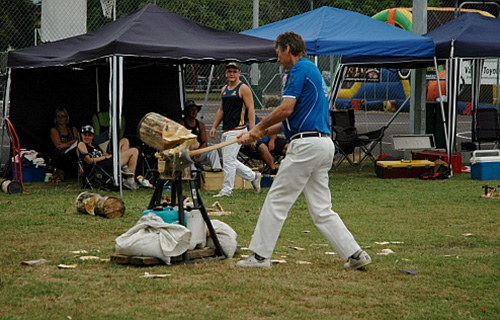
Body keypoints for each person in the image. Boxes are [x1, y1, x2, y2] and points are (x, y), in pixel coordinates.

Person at [237, 32, 371, 270]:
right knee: (321, 209)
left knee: (277, 199)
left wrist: (258, 127)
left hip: (307, 146)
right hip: (321, 144)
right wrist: (259, 133)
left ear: (288, 49)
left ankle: (259, 257)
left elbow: (285, 109)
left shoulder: (298, 70)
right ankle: (355, 254)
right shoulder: (311, 70)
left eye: (278, 52)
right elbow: (290, 119)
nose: (277, 58)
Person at [209, 62, 261, 197]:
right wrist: (214, 126)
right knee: (229, 160)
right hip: (226, 129)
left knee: (228, 160)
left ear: (239, 73)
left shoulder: (243, 88)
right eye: (229, 72)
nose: (231, 74)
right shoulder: (224, 89)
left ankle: (227, 190)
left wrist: (252, 132)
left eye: (234, 71)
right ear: (226, 74)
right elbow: (221, 109)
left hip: (238, 130)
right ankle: (253, 176)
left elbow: (251, 109)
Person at [78, 125, 139, 190]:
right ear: (81, 135)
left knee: (125, 141)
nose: (87, 137)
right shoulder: (82, 144)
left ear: (93, 136)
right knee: (134, 151)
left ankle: (124, 168)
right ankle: (130, 179)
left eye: (89, 135)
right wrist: (105, 157)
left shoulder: (95, 146)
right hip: (99, 166)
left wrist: (109, 156)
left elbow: (107, 155)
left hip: (106, 162)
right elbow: (88, 160)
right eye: (85, 135)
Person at [180, 100, 222, 172]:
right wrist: (192, 152)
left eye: (196, 110)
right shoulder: (181, 124)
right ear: (186, 112)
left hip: (198, 152)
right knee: (185, 153)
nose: (194, 112)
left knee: (213, 150)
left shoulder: (200, 125)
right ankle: (193, 172)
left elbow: (204, 142)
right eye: (192, 110)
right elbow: (181, 142)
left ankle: (217, 170)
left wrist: (198, 153)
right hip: (186, 152)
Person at [49, 107, 79, 177]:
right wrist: (73, 142)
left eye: (63, 116)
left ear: (66, 118)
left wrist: (66, 144)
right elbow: (59, 146)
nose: (60, 118)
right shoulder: (54, 130)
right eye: (58, 116)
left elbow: (78, 141)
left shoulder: (72, 128)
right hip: (61, 156)